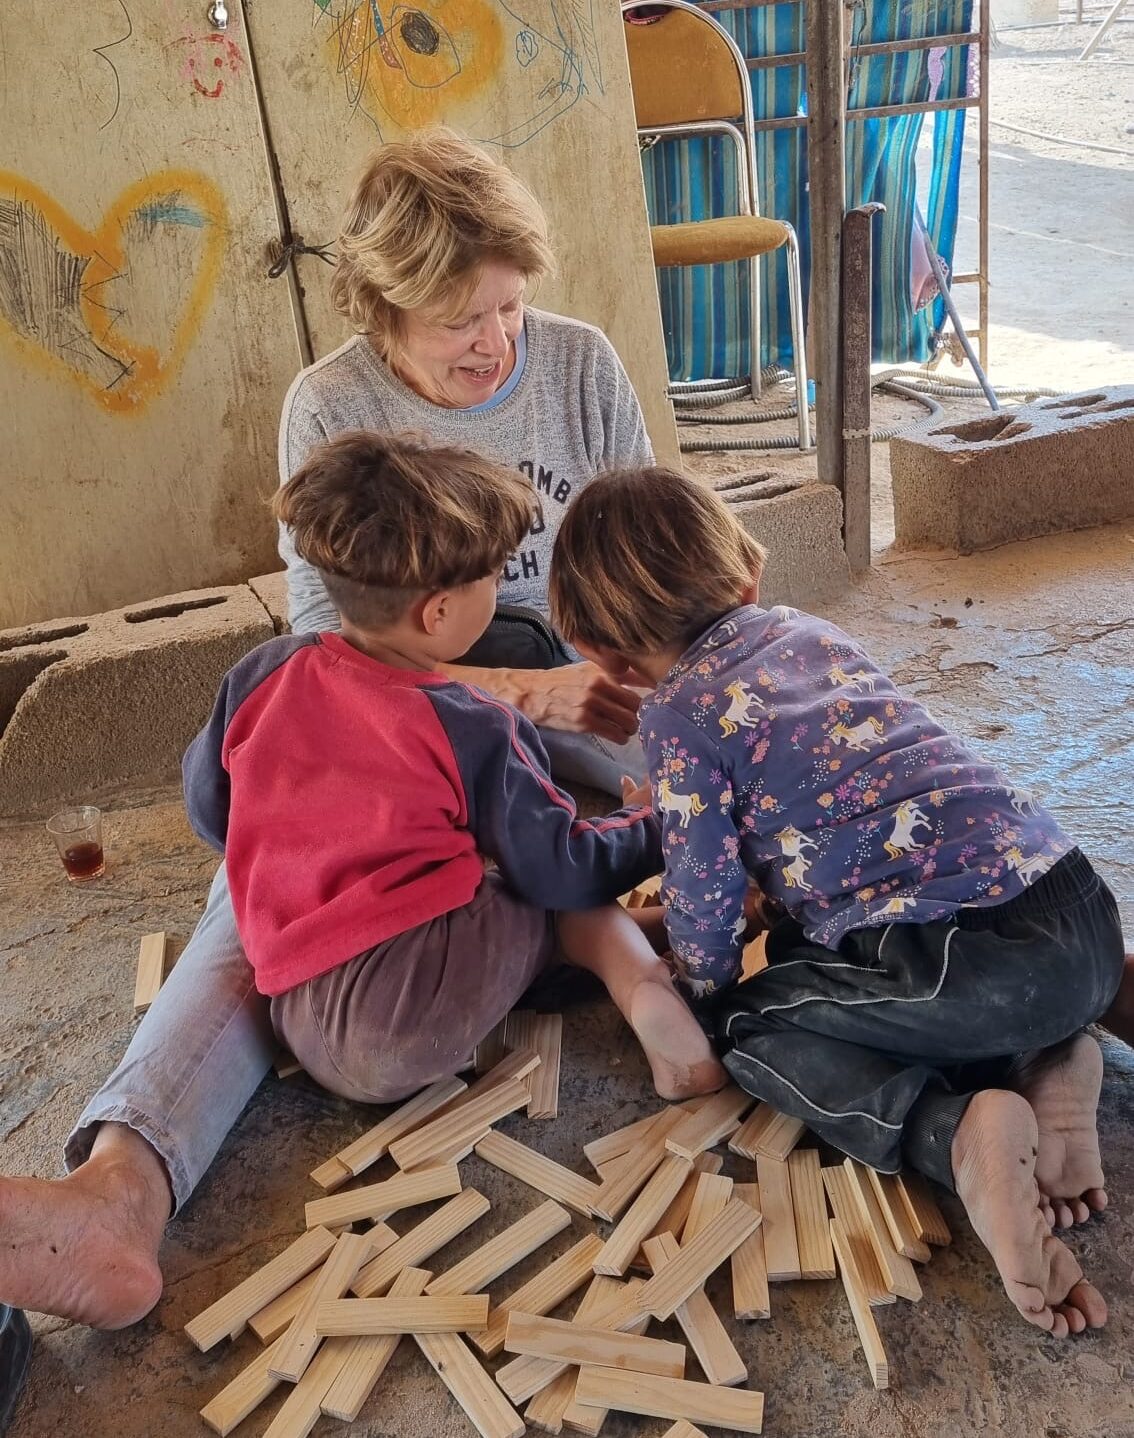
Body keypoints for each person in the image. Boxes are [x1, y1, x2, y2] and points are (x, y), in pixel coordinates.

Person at [0, 129, 657, 1330]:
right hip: (430, 716)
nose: (497, 341)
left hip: (583, 689)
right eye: (458, 320)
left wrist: (614, 685)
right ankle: (117, 1191)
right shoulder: (332, 404)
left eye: (509, 305)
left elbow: (647, 572)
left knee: (732, 774)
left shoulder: (580, 366)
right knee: (268, 882)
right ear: (383, 308)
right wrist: (511, 706)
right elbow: (334, 672)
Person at [548, 465, 1127, 1340]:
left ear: (610, 659)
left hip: (967, 962)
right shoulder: (806, 630)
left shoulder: (676, 716)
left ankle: (953, 1133)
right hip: (1079, 908)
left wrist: (699, 984)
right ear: (749, 574)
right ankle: (1052, 1057)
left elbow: (703, 895)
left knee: (752, 1021)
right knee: (835, 958)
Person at [184, 431, 722, 1105]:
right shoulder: (470, 721)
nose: (501, 585)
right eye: (494, 576)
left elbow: (210, 809)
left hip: (299, 1014)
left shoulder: (261, 673)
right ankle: (642, 984)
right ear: (438, 613)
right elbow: (561, 866)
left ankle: (639, 934)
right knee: (539, 887)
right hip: (417, 1007)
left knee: (488, 891)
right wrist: (651, 819)